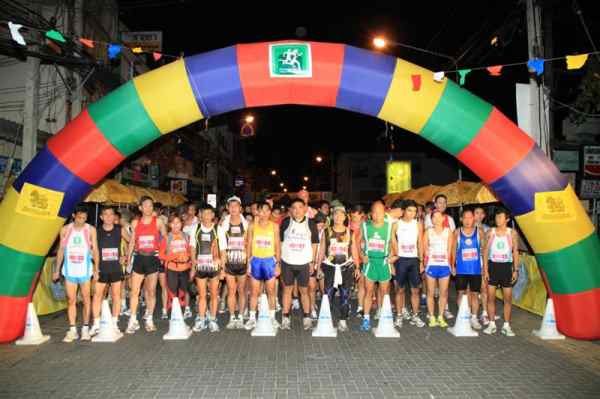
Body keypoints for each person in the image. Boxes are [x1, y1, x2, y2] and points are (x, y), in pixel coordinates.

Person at [53, 206, 99, 342]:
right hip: (69, 271)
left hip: (85, 271)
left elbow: (95, 250)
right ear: (74, 215)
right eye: (79, 218)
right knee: (71, 300)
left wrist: (96, 270)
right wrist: (56, 270)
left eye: (84, 218)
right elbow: (61, 250)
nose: (82, 221)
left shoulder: (90, 230)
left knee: (86, 300)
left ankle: (85, 328)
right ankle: (72, 329)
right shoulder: (66, 230)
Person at [126, 196, 167, 334]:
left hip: (152, 259)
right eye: (146, 205)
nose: (149, 208)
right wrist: (128, 257)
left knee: (151, 291)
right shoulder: (135, 223)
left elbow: (165, 239)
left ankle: (149, 318)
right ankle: (132, 320)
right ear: (140, 208)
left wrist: (163, 255)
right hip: (139, 258)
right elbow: (132, 241)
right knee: (135, 291)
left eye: (151, 205)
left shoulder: (159, 222)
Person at [317, 206, 360, 332]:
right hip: (330, 267)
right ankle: (326, 320)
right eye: (335, 214)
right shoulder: (326, 231)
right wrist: (318, 266)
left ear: (345, 217)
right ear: (332, 216)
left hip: (346, 267)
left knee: (345, 294)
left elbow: (354, 250)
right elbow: (321, 250)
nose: (338, 217)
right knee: (328, 293)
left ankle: (343, 320)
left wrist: (357, 267)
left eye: (341, 215)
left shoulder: (349, 232)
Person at [279, 198, 320, 330]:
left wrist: (312, 262)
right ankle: (285, 318)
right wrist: (279, 262)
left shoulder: (311, 223)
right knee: (287, 290)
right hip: (287, 262)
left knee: (304, 291)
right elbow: (280, 243)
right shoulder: (286, 222)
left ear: (304, 208)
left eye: (299, 207)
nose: (297, 210)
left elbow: (314, 244)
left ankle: (307, 318)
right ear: (290, 210)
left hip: (304, 263)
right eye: (294, 208)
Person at [91, 206, 130, 336]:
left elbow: (131, 242)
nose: (108, 217)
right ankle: (96, 324)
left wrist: (125, 257)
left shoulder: (120, 229)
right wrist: (95, 267)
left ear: (114, 217)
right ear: (101, 217)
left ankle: (114, 323)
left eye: (111, 214)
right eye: (105, 214)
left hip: (115, 268)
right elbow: (92, 249)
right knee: (97, 295)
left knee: (116, 295)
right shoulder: (96, 231)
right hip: (101, 268)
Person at [359, 201, 397, 331]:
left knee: (384, 292)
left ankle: (383, 314)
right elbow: (358, 243)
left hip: (383, 262)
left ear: (384, 213)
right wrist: (361, 254)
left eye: (380, 212)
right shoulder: (365, 226)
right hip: (370, 263)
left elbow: (394, 246)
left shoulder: (389, 226)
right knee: (368, 292)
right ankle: (366, 318)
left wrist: (394, 258)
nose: (377, 215)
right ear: (371, 213)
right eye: (374, 212)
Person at [245, 202, 281, 330]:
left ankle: (272, 318)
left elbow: (278, 245)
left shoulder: (275, 226)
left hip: (269, 262)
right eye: (261, 210)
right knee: (254, 292)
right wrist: (248, 263)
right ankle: (252, 318)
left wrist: (277, 264)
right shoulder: (252, 226)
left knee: (271, 292)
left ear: (270, 212)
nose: (264, 213)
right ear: (257, 212)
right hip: (255, 261)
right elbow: (248, 244)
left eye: (267, 211)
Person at [483, 208, 519, 337]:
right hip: (493, 267)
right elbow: (485, 252)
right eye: (497, 217)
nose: (498, 219)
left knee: (507, 299)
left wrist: (516, 269)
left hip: (506, 268)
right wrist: (485, 270)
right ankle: (492, 324)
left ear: (507, 219)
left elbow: (515, 251)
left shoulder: (512, 233)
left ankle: (506, 325)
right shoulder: (490, 232)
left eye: (500, 217)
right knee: (491, 298)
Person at [218, 196, 249, 329]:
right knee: (231, 290)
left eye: (236, 206)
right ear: (227, 208)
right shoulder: (223, 225)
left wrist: (249, 263)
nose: (233, 209)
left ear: (240, 208)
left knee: (241, 290)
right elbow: (221, 247)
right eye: (231, 206)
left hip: (242, 262)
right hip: (229, 262)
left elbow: (248, 245)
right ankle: (232, 317)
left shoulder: (247, 224)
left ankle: (241, 316)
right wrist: (222, 266)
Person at [393, 200, 425, 328]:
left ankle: (415, 315)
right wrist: (392, 260)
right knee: (399, 290)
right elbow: (392, 243)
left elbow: (420, 243)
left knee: (415, 290)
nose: (412, 214)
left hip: (414, 260)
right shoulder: (396, 224)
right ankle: (399, 315)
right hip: (400, 260)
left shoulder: (418, 225)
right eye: (409, 210)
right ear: (404, 211)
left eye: (414, 211)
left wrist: (422, 261)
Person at [190, 205, 221, 332]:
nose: (207, 216)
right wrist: (193, 263)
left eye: (210, 213)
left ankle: (213, 319)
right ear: (200, 215)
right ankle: (202, 319)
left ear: (213, 215)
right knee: (202, 295)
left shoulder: (218, 229)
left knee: (214, 294)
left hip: (214, 267)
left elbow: (223, 250)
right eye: (204, 213)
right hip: (201, 266)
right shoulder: (195, 229)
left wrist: (222, 267)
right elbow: (192, 248)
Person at [452, 208, 484, 330]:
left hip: (476, 269)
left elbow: (484, 250)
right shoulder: (457, 232)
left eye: (470, 217)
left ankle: (474, 317)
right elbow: (453, 250)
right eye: (465, 217)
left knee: (474, 294)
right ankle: (463, 315)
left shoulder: (479, 232)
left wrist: (484, 268)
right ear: (461, 219)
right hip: (461, 269)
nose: (467, 220)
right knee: (461, 293)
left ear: (474, 219)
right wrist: (453, 265)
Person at [423, 210, 453, 328]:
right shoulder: (428, 232)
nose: (436, 219)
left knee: (443, 292)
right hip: (431, 265)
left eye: (438, 217)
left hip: (444, 265)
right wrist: (423, 263)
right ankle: (431, 316)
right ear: (431, 219)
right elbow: (425, 250)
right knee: (430, 292)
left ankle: (440, 316)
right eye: (433, 217)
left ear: (443, 218)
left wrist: (451, 265)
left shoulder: (448, 232)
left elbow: (450, 251)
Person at [159, 215, 193, 316]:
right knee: (172, 290)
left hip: (185, 267)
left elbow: (191, 252)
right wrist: (173, 257)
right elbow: (161, 255)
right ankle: (175, 308)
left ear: (181, 224)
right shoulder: (167, 237)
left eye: (178, 223)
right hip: (171, 267)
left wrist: (188, 256)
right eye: (173, 223)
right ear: (169, 225)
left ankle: (187, 308)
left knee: (186, 289)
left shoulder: (187, 236)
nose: (175, 225)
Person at [474, 205, 491, 325]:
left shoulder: (487, 229)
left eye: (481, 213)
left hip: (482, 260)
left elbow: (488, 247)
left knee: (484, 288)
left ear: (484, 216)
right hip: (470, 262)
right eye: (476, 213)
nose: (479, 215)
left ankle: (484, 313)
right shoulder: (466, 227)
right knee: (472, 290)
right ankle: (472, 314)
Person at [309, 212, 327, 319]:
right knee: (311, 287)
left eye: (322, 225)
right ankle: (312, 308)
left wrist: (319, 267)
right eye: (318, 225)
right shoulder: (309, 232)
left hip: (320, 262)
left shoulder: (323, 233)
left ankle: (325, 308)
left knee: (324, 287)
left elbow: (322, 251)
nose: (320, 227)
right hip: (309, 262)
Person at [349, 204, 366, 316]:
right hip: (349, 258)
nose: (354, 219)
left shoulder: (366, 226)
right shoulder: (347, 225)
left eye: (356, 216)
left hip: (362, 258)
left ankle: (360, 307)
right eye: (352, 216)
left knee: (361, 283)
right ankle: (347, 306)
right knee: (347, 284)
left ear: (362, 215)